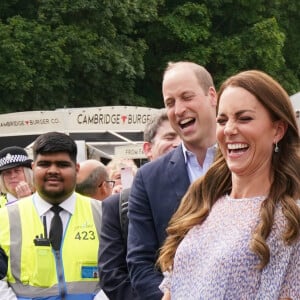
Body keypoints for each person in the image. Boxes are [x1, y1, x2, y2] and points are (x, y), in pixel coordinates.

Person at [158, 70, 300, 299]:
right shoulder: (202, 201)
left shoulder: (289, 220)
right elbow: (171, 290)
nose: (230, 130)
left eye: (244, 118)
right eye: (222, 120)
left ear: (277, 130)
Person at [127, 61, 218, 299]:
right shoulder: (149, 179)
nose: (179, 110)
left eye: (187, 97)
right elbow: (140, 262)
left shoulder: (247, 161)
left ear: (212, 96)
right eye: (170, 102)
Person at [0, 131, 102, 299]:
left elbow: (119, 271)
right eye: (45, 164)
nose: (53, 171)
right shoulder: (4, 218)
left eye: (62, 164)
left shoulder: (103, 213)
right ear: (33, 168)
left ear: (76, 169)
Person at [98, 109, 180, 300]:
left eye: (183, 136)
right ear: (147, 149)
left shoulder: (208, 195)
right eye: (170, 136)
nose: (178, 143)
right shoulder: (117, 206)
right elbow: (112, 275)